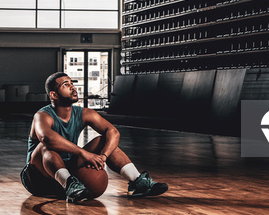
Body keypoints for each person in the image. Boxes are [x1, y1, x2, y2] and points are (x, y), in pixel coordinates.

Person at [20, 72, 168, 203]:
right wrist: (84, 153)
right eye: (66, 85)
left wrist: (103, 156)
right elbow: (47, 138)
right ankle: (70, 184)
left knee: (105, 140)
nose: (72, 87)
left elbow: (113, 132)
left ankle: (137, 181)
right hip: (38, 179)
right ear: (53, 95)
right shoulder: (42, 115)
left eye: (72, 83)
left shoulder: (84, 113)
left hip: (68, 169)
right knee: (45, 146)